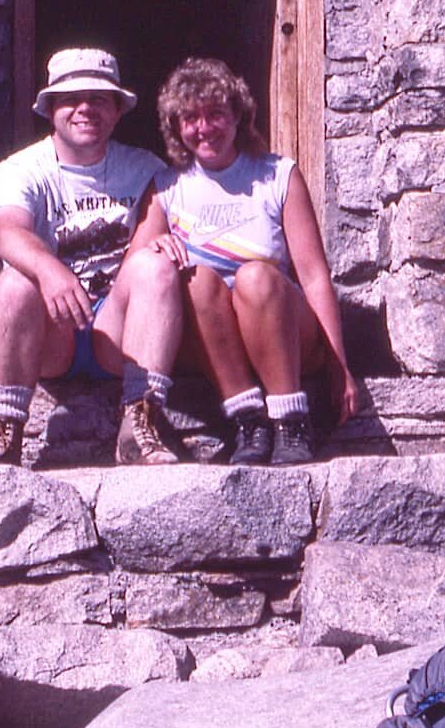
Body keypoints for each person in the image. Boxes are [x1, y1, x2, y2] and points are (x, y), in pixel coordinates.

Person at [129, 56, 358, 465]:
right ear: (176, 127)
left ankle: (290, 421)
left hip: (283, 328)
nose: (204, 128)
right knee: (196, 280)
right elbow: (135, 273)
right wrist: (157, 243)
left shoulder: (277, 175)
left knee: (256, 276)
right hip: (213, 338)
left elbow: (314, 276)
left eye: (215, 114)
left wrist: (339, 364)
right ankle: (247, 419)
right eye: (191, 118)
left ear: (238, 115)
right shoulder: (166, 186)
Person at [0, 47, 188, 473]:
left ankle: (140, 424)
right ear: (51, 109)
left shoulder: (146, 168)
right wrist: (49, 269)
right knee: (14, 280)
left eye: (99, 98)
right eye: (70, 98)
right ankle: (4, 430)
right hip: (52, 332)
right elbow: (7, 231)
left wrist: (161, 243)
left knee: (155, 266)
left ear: (117, 110)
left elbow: (155, 237)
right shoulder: (19, 169)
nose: (85, 108)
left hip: (118, 330)